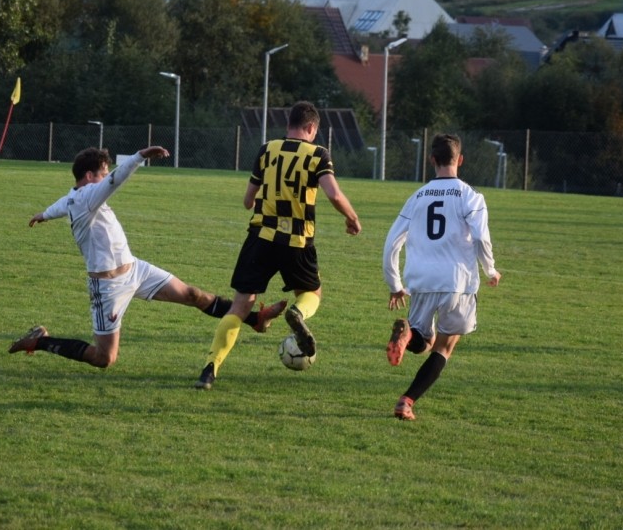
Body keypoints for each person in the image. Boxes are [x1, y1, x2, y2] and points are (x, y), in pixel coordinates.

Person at [9, 146, 285, 369]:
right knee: (104, 358)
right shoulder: (87, 197)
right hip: (108, 286)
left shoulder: (75, 198)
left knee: (192, 294)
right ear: (90, 176)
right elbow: (116, 179)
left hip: (135, 270)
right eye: (102, 173)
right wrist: (140, 156)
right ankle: (40, 341)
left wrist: (43, 215)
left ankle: (255, 319)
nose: (106, 177)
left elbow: (59, 205)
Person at [195, 101, 362, 390]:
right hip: (297, 241)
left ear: (289, 125)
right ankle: (297, 313)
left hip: (261, 237)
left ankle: (210, 369)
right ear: (311, 127)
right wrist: (352, 218)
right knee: (312, 293)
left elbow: (248, 201)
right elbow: (334, 194)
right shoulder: (318, 154)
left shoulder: (267, 149)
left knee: (240, 306)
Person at [382, 133, 501, 421]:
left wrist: (395, 284)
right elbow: (481, 237)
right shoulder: (470, 196)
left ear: (432, 160)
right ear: (460, 160)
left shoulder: (417, 197)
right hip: (457, 282)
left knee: (423, 341)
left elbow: (391, 242)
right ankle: (406, 402)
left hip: (421, 280)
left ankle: (408, 335)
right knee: (444, 347)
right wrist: (490, 269)